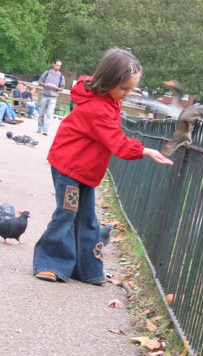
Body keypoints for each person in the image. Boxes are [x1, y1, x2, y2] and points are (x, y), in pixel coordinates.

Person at [33, 48, 173, 284]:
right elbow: (116, 141)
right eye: (124, 89)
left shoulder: (109, 101)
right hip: (69, 168)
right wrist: (145, 150)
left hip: (86, 170)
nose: (127, 94)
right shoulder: (97, 108)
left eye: (131, 89)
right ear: (108, 82)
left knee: (87, 218)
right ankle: (51, 263)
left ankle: (87, 269)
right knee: (67, 213)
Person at [37, 59, 65, 135]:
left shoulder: (61, 76)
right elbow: (39, 82)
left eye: (59, 65)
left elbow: (61, 88)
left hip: (53, 97)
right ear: (53, 65)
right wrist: (45, 84)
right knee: (41, 114)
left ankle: (45, 130)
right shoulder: (46, 73)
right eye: (57, 65)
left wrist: (55, 87)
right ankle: (40, 127)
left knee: (49, 114)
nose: (58, 67)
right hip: (45, 96)